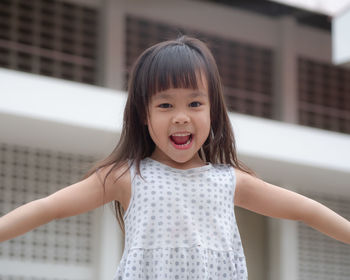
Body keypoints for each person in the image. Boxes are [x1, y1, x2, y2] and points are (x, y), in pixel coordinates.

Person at [0, 35, 349, 280]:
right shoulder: (127, 176)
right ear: (143, 114)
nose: (181, 116)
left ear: (213, 111)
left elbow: (307, 210)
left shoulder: (229, 181)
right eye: (165, 104)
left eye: (195, 103)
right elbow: (48, 207)